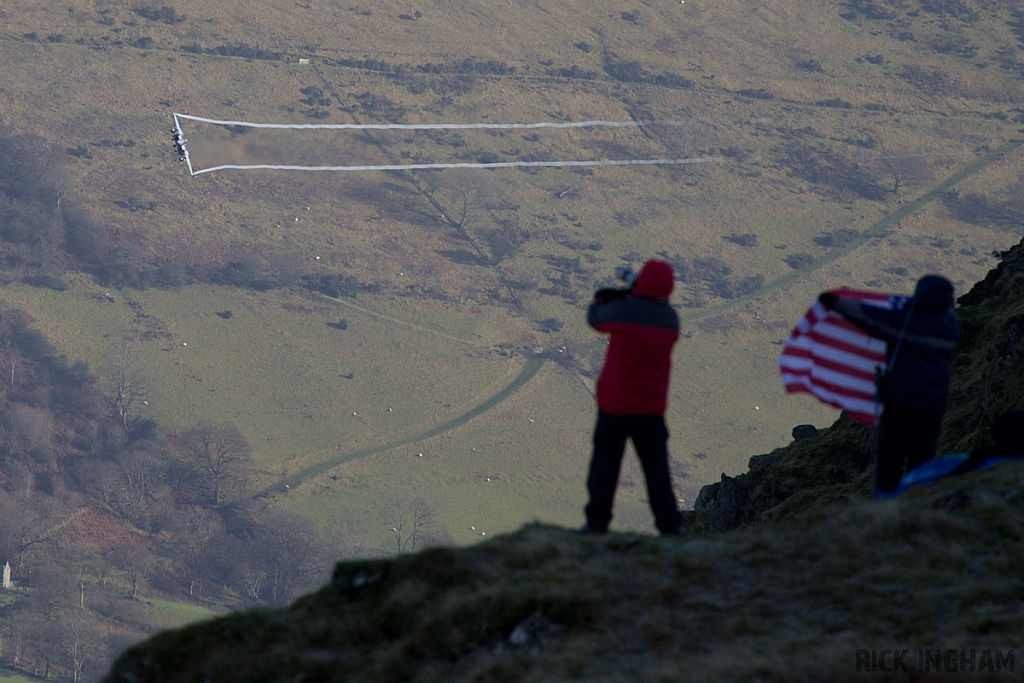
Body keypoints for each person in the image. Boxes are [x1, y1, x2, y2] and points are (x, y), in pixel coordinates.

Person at [819, 275, 961, 494]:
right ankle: (921, 497)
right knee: (922, 453)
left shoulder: (908, 325)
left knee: (890, 454)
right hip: (934, 404)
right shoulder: (950, 326)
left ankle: (887, 501)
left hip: (902, 401)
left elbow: (870, 317)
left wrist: (836, 302)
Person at [582, 259, 683, 535]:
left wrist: (605, 297)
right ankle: (670, 527)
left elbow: (596, 318)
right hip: (651, 408)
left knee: (606, 466)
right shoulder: (670, 319)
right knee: (656, 470)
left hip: (616, 405)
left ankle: (596, 524)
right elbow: (647, 312)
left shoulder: (625, 312)